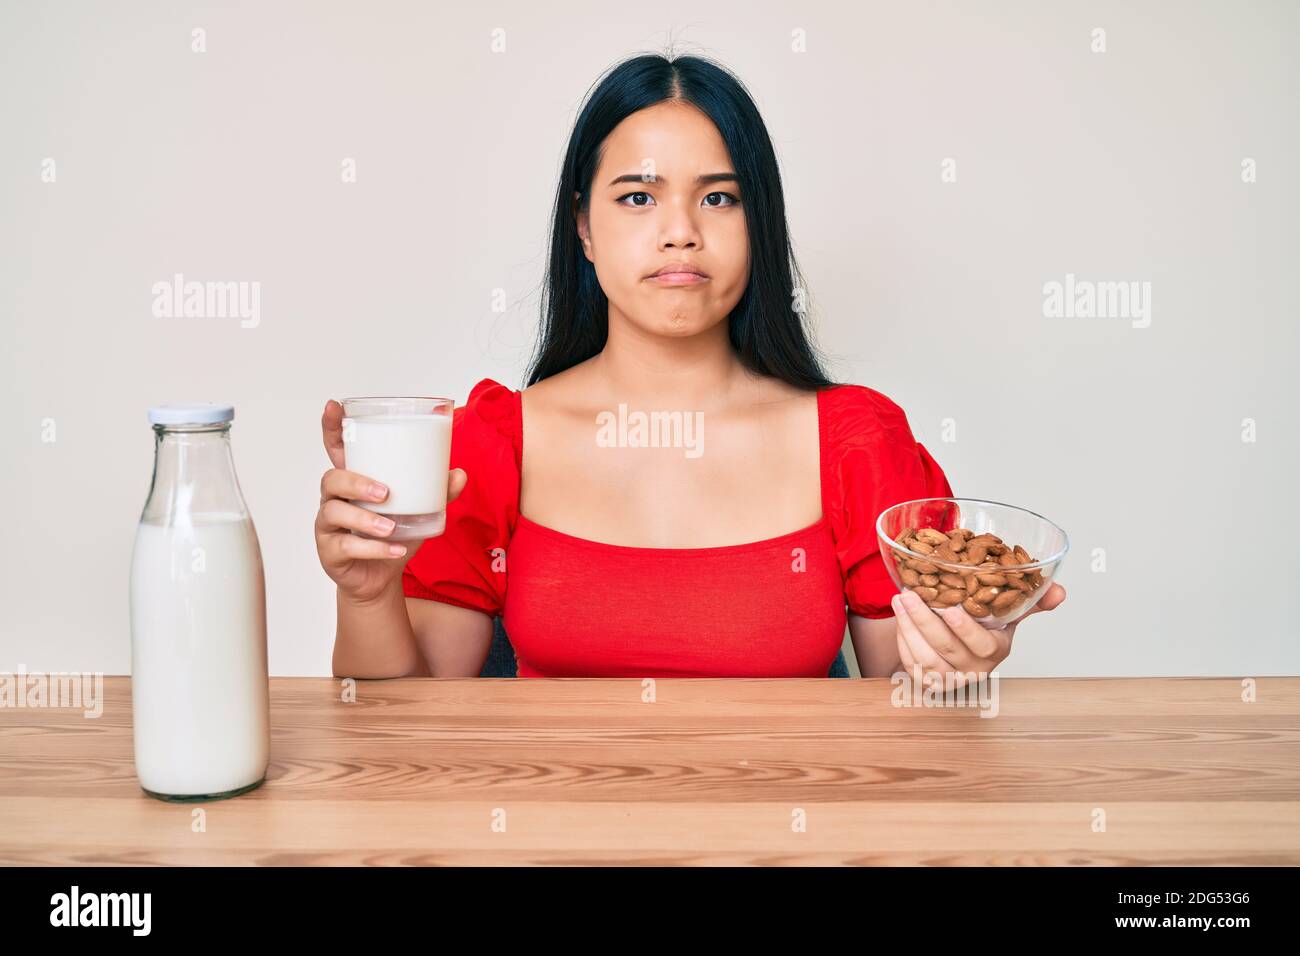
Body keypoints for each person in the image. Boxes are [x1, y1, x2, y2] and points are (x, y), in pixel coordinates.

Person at [315, 52, 1065, 680]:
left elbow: (908, 729)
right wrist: (368, 594)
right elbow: (404, 738)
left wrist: (959, 671)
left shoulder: (856, 443)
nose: (680, 233)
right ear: (583, 227)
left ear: (758, 222)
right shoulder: (489, 443)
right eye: (638, 196)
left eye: (719, 198)